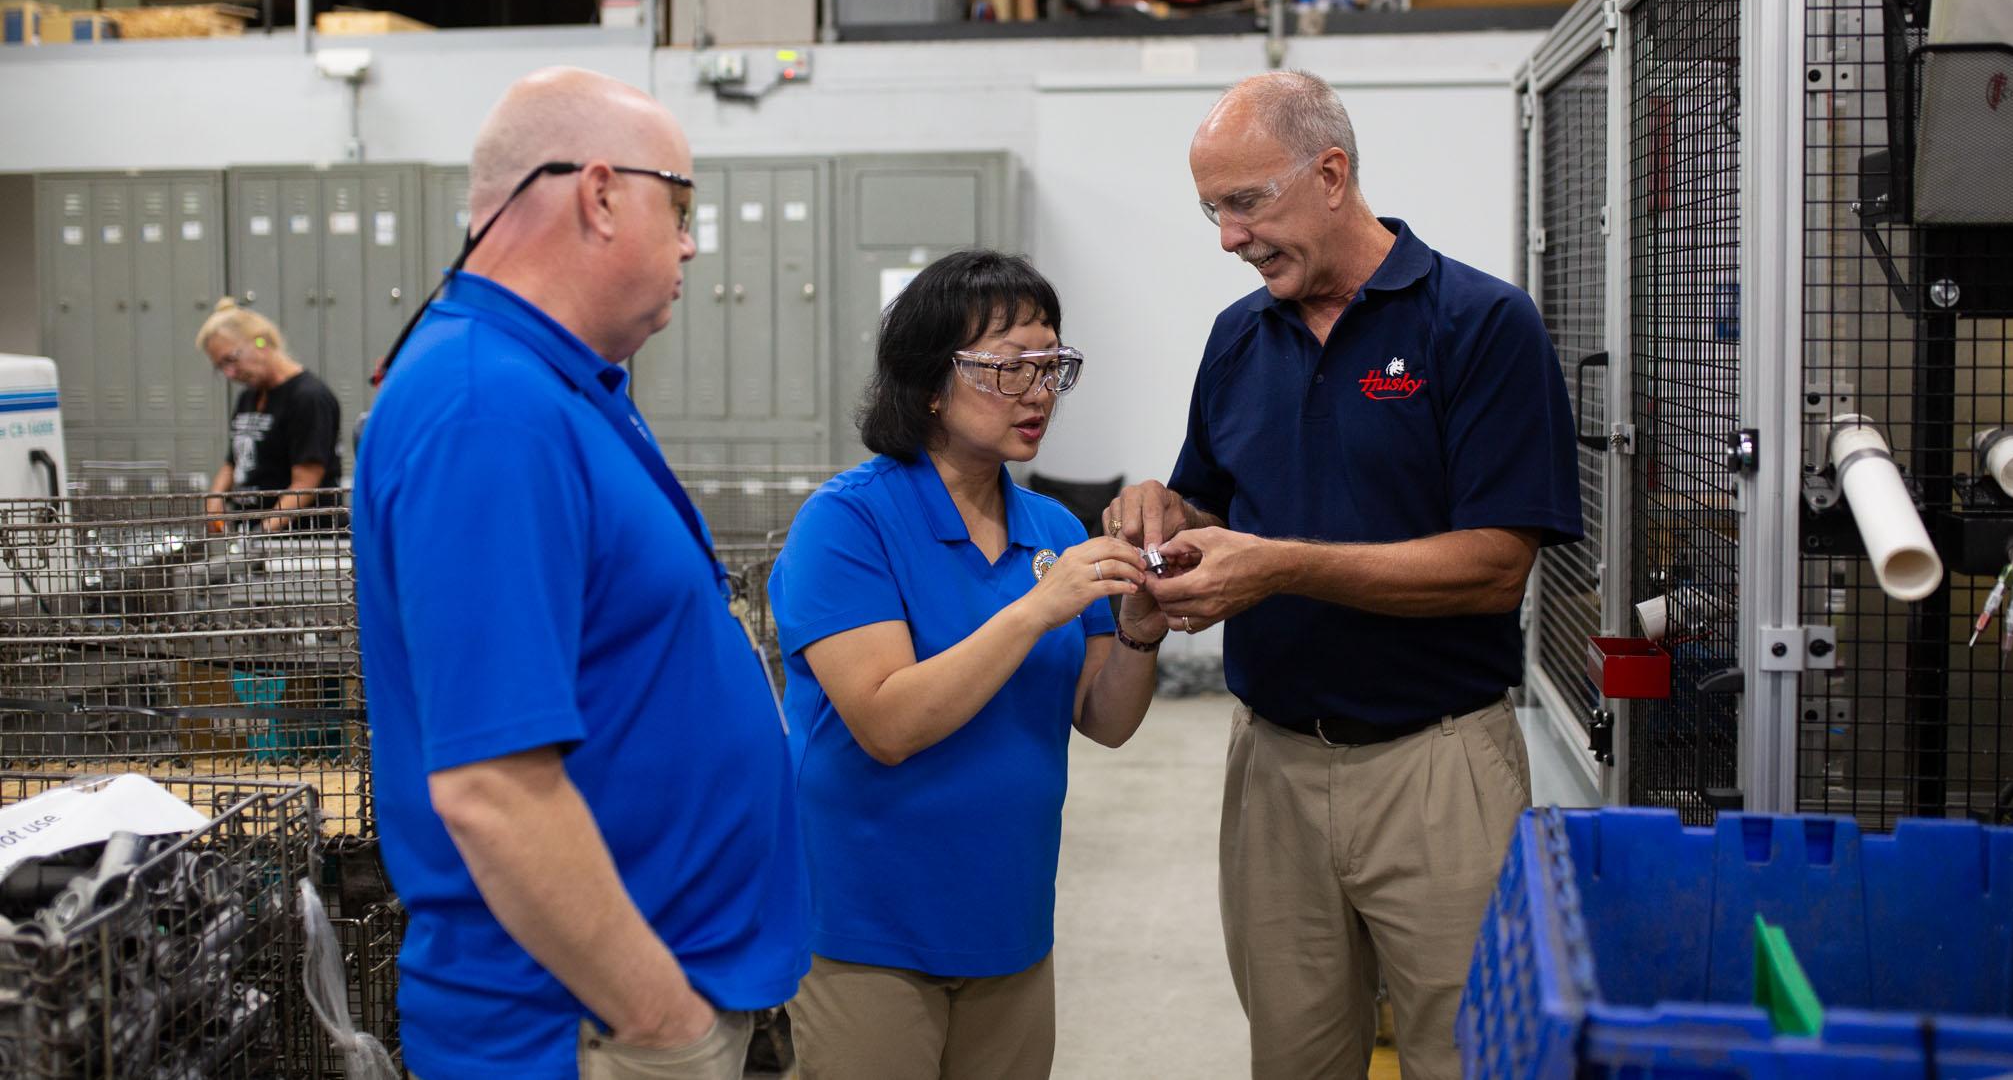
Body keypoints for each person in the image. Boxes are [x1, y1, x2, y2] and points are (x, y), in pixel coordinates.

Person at [1107, 71, 1584, 1080]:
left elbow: (1494, 569)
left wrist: (1278, 568)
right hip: (1272, 767)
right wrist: (1161, 512)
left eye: (1244, 203)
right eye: (1210, 210)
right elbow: (1216, 509)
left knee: (1466, 1055)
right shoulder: (1238, 339)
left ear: (1330, 175)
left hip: (1437, 767)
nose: (1226, 238)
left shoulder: (1480, 326)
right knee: (1293, 1056)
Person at [352, 67, 807, 1080]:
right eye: (678, 207)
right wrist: (662, 1023)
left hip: (625, 1010)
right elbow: (493, 789)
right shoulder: (488, 410)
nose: (691, 242)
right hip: (582, 1030)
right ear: (598, 195)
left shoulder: (551, 388)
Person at [768, 249, 1162, 1080]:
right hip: (870, 931)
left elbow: (1108, 719)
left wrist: (1140, 628)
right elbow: (887, 722)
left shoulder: (1052, 525)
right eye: (1007, 367)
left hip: (1009, 920)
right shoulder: (848, 524)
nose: (1037, 390)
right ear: (929, 384)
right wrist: (1034, 610)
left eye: (1052, 366)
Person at [195, 300, 342, 533]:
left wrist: (262, 533)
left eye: (231, 360)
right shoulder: (248, 397)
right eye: (220, 367)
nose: (229, 373)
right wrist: (215, 500)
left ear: (260, 342)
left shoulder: (308, 397)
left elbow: (305, 483)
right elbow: (233, 461)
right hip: (255, 538)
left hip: (299, 542)